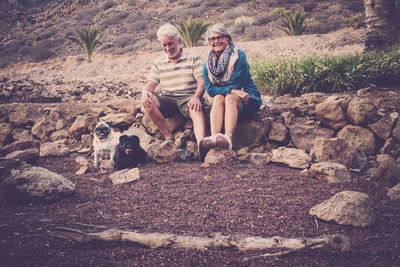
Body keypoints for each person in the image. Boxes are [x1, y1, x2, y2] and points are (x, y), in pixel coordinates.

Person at [141, 23, 208, 160]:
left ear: (179, 41)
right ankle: (168, 137)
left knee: (195, 106)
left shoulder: (193, 58)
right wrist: (145, 94)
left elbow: (202, 83)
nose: (167, 48)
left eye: (170, 44)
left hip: (188, 97)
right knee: (148, 102)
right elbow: (149, 86)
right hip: (168, 98)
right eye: (164, 45)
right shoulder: (159, 62)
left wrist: (196, 97)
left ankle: (202, 145)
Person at [201, 23, 262, 152]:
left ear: (227, 39)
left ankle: (228, 138)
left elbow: (236, 84)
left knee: (230, 97)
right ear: (209, 42)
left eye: (220, 37)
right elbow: (210, 90)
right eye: (212, 38)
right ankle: (214, 137)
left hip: (248, 99)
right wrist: (231, 90)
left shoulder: (238, 56)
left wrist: (231, 90)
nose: (216, 41)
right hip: (226, 99)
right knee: (218, 97)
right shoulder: (207, 64)